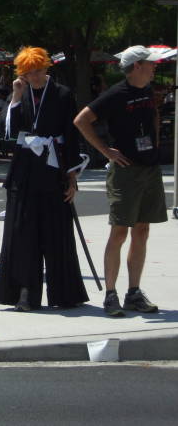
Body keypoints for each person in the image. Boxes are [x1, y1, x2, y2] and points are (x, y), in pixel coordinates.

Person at [74, 45, 167, 317]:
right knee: (119, 231)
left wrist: (156, 144)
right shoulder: (116, 94)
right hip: (125, 172)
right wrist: (106, 151)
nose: (154, 67)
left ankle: (134, 293)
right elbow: (81, 120)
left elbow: (154, 118)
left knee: (142, 230)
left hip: (149, 168)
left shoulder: (147, 91)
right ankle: (110, 295)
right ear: (136, 66)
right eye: (149, 63)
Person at [0, 47, 89, 311]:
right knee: (22, 233)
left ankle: (65, 292)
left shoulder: (62, 94)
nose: (34, 77)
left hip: (53, 168)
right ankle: (24, 291)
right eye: (28, 73)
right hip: (24, 171)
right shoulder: (20, 94)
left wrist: (72, 177)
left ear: (46, 68)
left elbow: (71, 137)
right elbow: (7, 131)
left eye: (37, 71)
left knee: (57, 231)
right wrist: (15, 95)